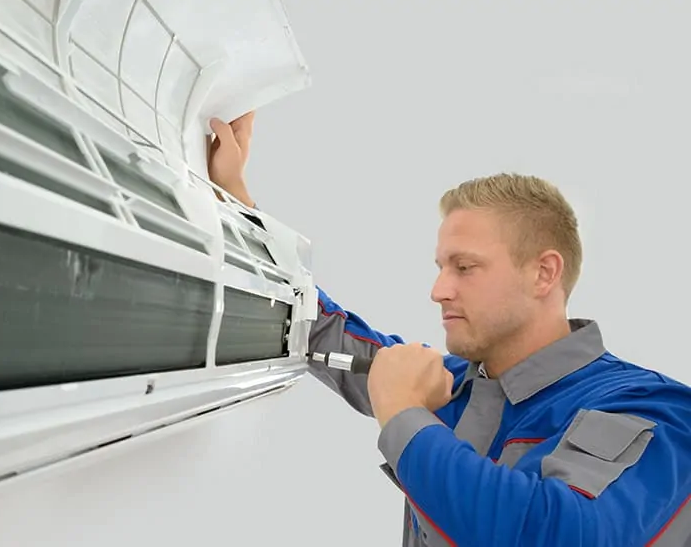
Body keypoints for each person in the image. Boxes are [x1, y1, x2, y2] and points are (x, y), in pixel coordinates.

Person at [205, 111, 691, 546]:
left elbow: (554, 534)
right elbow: (317, 328)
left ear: (544, 273)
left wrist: (404, 415)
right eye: (441, 267)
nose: (438, 290)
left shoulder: (654, 411)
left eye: (464, 267)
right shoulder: (454, 385)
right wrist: (236, 204)